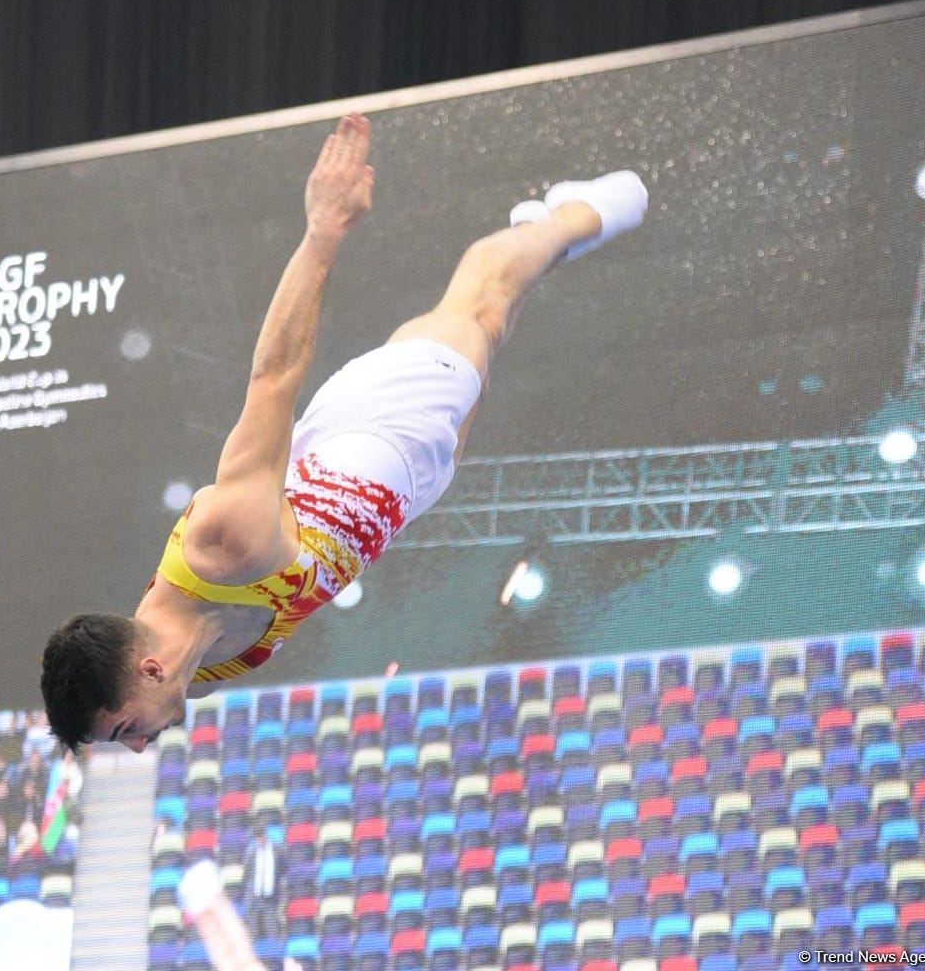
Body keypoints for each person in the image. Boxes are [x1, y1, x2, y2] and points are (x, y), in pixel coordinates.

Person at [41, 113, 647, 754]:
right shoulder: (204, 677)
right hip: (399, 491)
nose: (138, 745)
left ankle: (567, 219)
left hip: (377, 434)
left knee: (484, 308)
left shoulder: (223, 548)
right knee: (482, 328)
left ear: (148, 669)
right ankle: (539, 231)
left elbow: (272, 377)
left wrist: (323, 230)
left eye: (124, 729)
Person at [242, 826, 285, 938]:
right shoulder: (251, 851)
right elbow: (247, 872)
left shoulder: (276, 849)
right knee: (253, 926)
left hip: (270, 895)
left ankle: (273, 946)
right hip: (254, 895)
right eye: (258, 838)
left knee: (271, 924)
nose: (260, 840)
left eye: (262, 837)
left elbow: (282, 867)